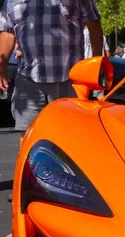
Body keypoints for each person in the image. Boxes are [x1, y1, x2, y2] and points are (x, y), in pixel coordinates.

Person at [0, 0, 105, 201]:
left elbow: (93, 22)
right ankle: (30, 188)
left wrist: (96, 63)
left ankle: (77, 193)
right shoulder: (11, 1)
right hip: (28, 79)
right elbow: (7, 31)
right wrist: (2, 63)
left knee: (70, 138)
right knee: (29, 136)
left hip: (69, 77)